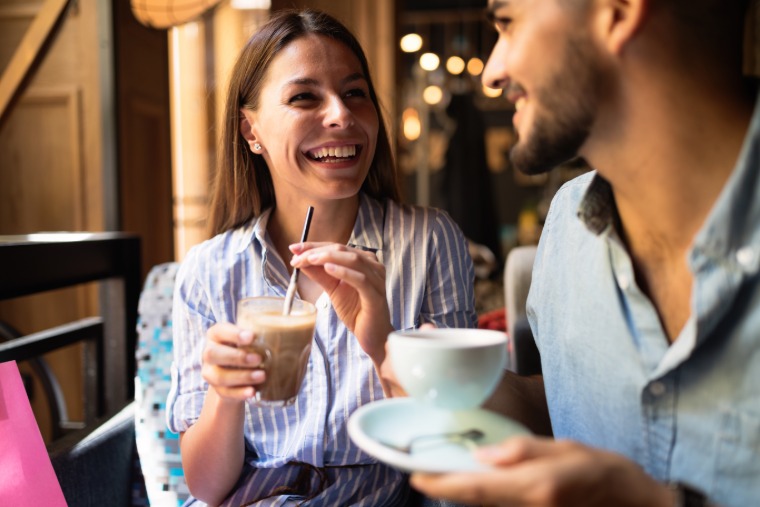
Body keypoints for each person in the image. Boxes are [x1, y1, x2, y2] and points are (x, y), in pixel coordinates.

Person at [405, 0, 759, 506]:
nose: (493, 71)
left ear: (618, 12)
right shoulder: (568, 220)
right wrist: (465, 388)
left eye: (507, 23)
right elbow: (569, 405)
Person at [166, 9, 477, 507]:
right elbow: (207, 487)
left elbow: (457, 442)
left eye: (355, 93)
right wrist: (225, 396)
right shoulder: (208, 271)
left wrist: (383, 347)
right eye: (304, 97)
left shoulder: (430, 242)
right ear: (251, 131)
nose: (342, 115)